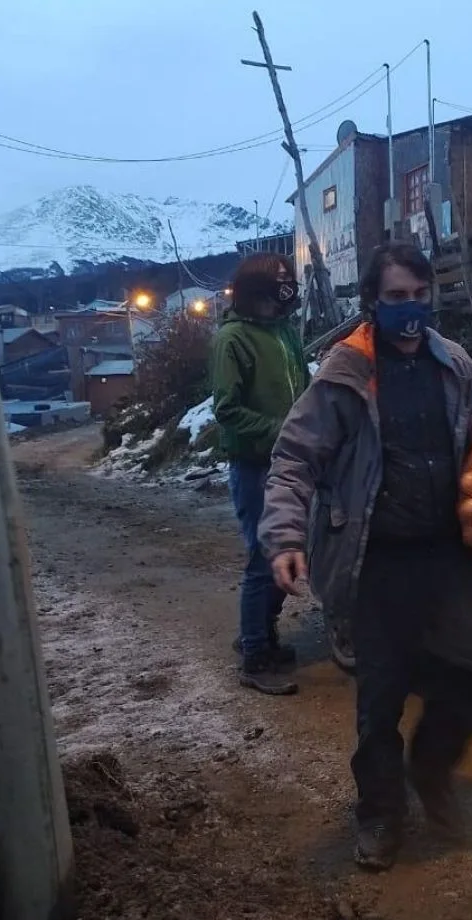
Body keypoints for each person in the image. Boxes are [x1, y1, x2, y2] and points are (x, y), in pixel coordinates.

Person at [259, 241, 472, 870]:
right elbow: (293, 461)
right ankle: (380, 815)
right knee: (380, 701)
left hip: (449, 555)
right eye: (397, 297)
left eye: (420, 295)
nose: (411, 308)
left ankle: (430, 769)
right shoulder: (346, 374)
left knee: (471, 675)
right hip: (379, 561)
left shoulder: (453, 363)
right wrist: (286, 538)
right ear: (372, 302)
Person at [212, 253, 309, 697]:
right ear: (257, 292)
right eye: (278, 285)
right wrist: (278, 430)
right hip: (254, 464)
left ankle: (264, 635)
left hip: (291, 463)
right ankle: (253, 654)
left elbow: (304, 390)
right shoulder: (233, 339)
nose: (286, 292)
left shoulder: (286, 332)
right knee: (261, 556)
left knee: (289, 549)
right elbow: (227, 410)